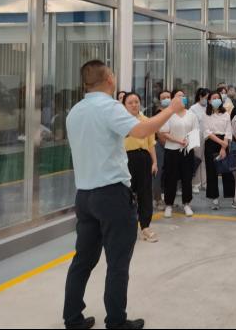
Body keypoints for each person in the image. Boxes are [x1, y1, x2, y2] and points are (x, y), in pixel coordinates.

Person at [64, 60, 185, 330]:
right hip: (111, 195)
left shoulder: (75, 111)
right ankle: (116, 321)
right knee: (117, 261)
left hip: (84, 196)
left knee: (82, 260)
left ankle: (72, 317)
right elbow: (141, 130)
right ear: (109, 79)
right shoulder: (109, 108)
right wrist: (171, 109)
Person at [122, 92, 158, 243]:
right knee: (125, 193)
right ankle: (125, 227)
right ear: (124, 105)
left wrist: (154, 162)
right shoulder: (120, 121)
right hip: (125, 159)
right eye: (130, 102)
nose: (134, 105)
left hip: (143, 158)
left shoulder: (146, 121)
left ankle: (145, 227)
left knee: (145, 193)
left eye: (136, 101)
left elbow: (151, 144)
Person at [159, 89, 199, 218]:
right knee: (170, 178)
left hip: (187, 150)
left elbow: (195, 131)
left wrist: (188, 141)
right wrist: (178, 140)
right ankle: (169, 205)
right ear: (173, 99)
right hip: (172, 150)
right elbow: (164, 132)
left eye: (183, 96)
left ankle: (186, 204)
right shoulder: (168, 114)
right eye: (178, 96)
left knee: (187, 177)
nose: (182, 98)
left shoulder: (191, 115)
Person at [203, 91, 235, 210]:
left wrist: (223, 146)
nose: (216, 100)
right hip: (211, 143)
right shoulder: (206, 115)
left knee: (227, 170)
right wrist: (221, 143)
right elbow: (207, 132)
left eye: (218, 98)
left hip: (224, 142)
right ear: (209, 100)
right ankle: (214, 198)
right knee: (212, 171)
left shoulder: (225, 114)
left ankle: (232, 197)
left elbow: (228, 130)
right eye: (213, 98)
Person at [152, 90, 171, 210]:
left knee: (169, 174)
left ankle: (167, 199)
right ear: (160, 100)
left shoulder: (173, 112)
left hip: (173, 146)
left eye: (168, 97)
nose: (166, 99)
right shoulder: (159, 113)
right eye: (163, 98)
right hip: (160, 146)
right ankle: (157, 199)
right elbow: (159, 133)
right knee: (158, 174)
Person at [190, 88, 210, 194]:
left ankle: (204, 182)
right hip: (196, 135)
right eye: (205, 97)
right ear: (200, 96)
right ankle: (195, 183)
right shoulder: (193, 108)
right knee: (197, 159)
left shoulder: (209, 108)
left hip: (207, 135)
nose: (207, 100)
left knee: (205, 159)